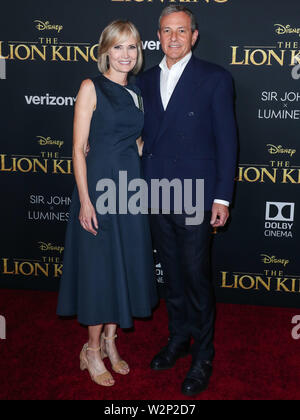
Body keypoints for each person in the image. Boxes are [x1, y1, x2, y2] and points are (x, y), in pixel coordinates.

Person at [136, 6, 237, 396]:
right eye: (166, 31)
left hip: (197, 194)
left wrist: (222, 197)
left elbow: (227, 142)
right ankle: (179, 340)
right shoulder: (143, 80)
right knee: (172, 275)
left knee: (196, 277)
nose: (174, 37)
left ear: (194, 36)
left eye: (182, 31)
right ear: (157, 36)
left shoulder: (215, 78)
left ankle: (204, 354)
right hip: (156, 192)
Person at [57, 20, 158, 387]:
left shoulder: (137, 93)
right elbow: (78, 149)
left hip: (129, 193)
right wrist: (85, 201)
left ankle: (113, 344)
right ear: (105, 52)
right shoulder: (91, 87)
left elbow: (136, 144)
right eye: (118, 47)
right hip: (98, 191)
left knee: (124, 267)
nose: (125, 55)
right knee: (100, 272)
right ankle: (92, 349)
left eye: (131, 47)